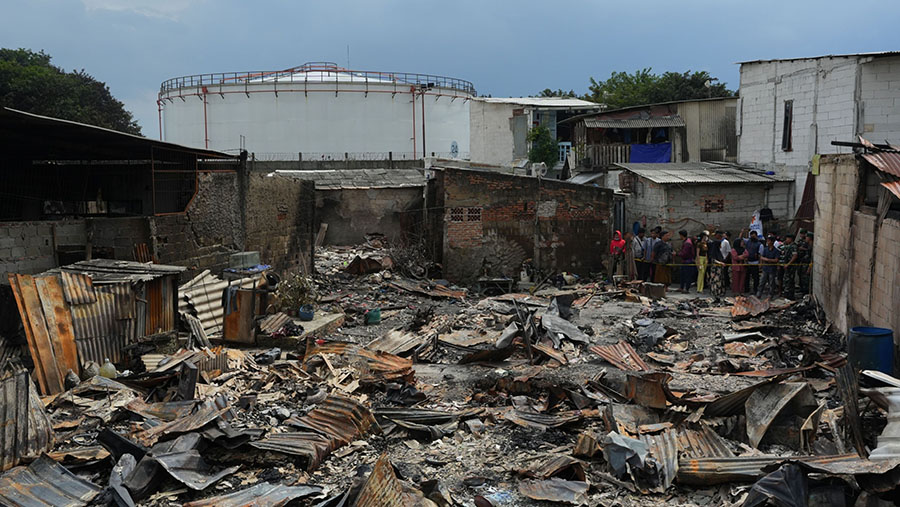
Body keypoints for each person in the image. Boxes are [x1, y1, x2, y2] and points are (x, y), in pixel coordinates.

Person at [742, 230, 763, 294]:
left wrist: (760, 263)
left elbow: (760, 255)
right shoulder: (748, 241)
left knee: (755, 278)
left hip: (755, 263)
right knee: (746, 277)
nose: (752, 237)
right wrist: (742, 232)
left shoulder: (760, 244)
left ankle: (755, 290)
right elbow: (740, 239)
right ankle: (746, 289)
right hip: (748, 262)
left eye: (753, 236)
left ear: (756, 236)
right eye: (751, 235)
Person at [779, 234, 799, 299]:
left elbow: (795, 256)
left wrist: (788, 264)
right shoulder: (788, 246)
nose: (786, 240)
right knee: (787, 280)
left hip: (791, 267)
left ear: (791, 239)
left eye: (787, 238)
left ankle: (789, 295)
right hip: (787, 266)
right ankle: (788, 294)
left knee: (789, 280)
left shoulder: (794, 246)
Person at [708, 231, 727, 297]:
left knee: (720, 281)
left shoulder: (719, 253)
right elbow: (713, 259)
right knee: (715, 281)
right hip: (715, 269)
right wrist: (720, 263)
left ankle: (720, 292)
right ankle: (715, 293)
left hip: (719, 269)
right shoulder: (713, 252)